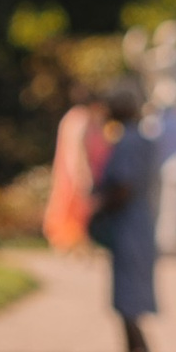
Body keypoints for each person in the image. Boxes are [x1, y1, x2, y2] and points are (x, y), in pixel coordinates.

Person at [88, 79, 170, 352]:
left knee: (127, 304)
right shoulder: (142, 139)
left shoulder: (128, 142)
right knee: (125, 303)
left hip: (128, 227)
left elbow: (123, 187)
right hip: (138, 225)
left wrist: (98, 208)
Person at [44, 93, 108, 253]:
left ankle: (74, 243)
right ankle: (70, 243)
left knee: (78, 208)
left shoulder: (82, 119)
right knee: (76, 208)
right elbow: (77, 149)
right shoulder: (80, 119)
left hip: (77, 171)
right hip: (78, 172)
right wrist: (82, 173)